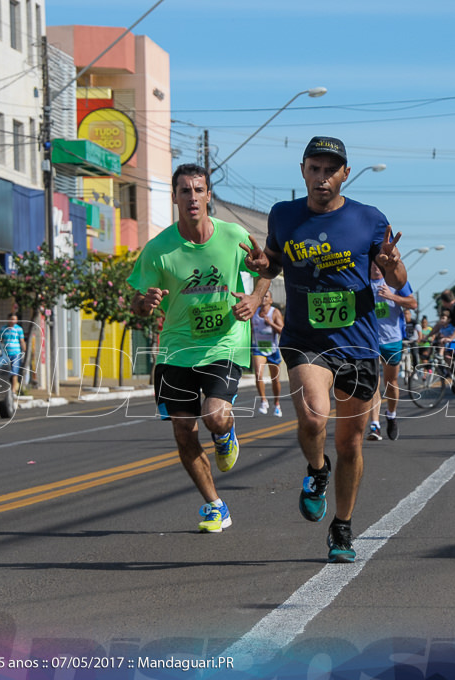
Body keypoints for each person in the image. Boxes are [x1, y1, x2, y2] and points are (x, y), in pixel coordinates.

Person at [243, 135, 406, 564]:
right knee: (314, 415)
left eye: (330, 170)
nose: (321, 178)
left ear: (345, 174)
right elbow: (275, 260)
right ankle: (317, 471)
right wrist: (264, 269)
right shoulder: (283, 215)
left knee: (350, 444)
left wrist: (391, 266)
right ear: (303, 171)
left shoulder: (369, 219)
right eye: (314, 169)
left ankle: (343, 526)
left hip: (358, 343)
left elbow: (400, 277)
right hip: (305, 339)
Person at [126, 163, 268, 533]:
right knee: (183, 432)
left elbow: (267, 269)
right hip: (176, 349)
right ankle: (215, 506)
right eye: (184, 191)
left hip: (224, 343)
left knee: (214, 415)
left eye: (198, 190)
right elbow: (137, 301)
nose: (192, 197)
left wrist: (254, 297)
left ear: (209, 196)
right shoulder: (158, 249)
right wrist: (145, 302)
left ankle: (225, 433)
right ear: (174, 197)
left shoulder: (234, 235)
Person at [366, 260, 416, 441]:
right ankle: (374, 425)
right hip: (370, 340)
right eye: (372, 264)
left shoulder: (395, 281)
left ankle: (392, 415)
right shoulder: (362, 281)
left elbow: (413, 303)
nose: (375, 267)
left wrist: (392, 296)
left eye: (378, 264)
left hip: (392, 340)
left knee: (391, 383)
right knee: (373, 382)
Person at [251, 289, 284, 417]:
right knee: (258, 374)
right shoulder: (254, 313)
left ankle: (277, 404)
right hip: (259, 348)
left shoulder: (274, 313)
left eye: (267, 296)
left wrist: (270, 323)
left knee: (275, 379)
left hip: (273, 349)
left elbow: (282, 330)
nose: (264, 298)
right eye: (262, 296)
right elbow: (250, 330)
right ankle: (263, 401)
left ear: (271, 300)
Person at [0, 312, 26, 395]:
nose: (13, 321)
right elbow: (0, 341)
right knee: (6, 372)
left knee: (14, 372)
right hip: (6, 353)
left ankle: (13, 391)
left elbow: (22, 341)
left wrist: (24, 350)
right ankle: (6, 389)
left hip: (16, 353)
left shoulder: (19, 329)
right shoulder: (3, 329)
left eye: (15, 319)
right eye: (12, 319)